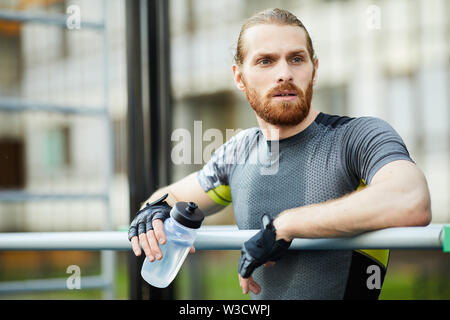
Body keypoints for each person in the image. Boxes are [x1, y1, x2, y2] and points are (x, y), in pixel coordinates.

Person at [128, 8, 432, 300]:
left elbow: (411, 200)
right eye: (266, 61)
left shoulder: (358, 136)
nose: (284, 73)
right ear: (239, 77)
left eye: (296, 59)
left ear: (314, 69)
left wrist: (285, 226)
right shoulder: (238, 151)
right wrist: (153, 211)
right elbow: (169, 198)